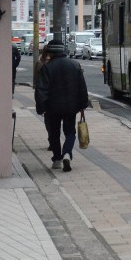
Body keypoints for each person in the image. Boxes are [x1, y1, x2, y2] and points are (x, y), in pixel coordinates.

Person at [35, 39, 88, 172]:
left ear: (51, 52)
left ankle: (57, 159)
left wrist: (41, 107)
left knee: (54, 133)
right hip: (71, 106)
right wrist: (82, 105)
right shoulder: (75, 65)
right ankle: (67, 153)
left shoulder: (47, 68)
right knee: (70, 131)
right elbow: (82, 87)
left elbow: (41, 90)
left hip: (52, 107)